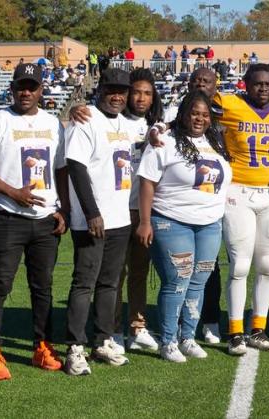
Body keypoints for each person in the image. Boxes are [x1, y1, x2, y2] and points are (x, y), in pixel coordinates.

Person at [0, 63, 66, 381]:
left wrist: (63, 208)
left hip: (45, 219)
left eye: (32, 86)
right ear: (11, 88)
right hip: (8, 217)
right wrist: (14, 193)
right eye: (20, 86)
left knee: (43, 288)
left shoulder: (53, 124)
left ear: (41, 90)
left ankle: (42, 347)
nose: (25, 92)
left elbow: (61, 169)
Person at [134, 91, 232, 363]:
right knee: (177, 280)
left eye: (204, 114)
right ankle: (168, 340)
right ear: (183, 114)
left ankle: (188, 336)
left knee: (199, 281)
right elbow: (147, 182)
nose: (199, 118)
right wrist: (144, 221)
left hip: (209, 224)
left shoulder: (215, 141)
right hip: (171, 219)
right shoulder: (164, 140)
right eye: (194, 113)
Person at [211, 64, 269, 355]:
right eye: (258, 83)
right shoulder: (229, 104)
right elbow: (194, 111)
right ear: (245, 84)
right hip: (238, 191)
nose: (264, 88)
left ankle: (258, 328)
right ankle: (235, 331)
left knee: (268, 264)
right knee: (239, 264)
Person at [60, 68, 136, 375]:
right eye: (111, 90)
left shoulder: (126, 124)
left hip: (120, 218)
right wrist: (91, 212)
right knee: (84, 283)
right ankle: (74, 347)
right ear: (100, 89)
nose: (117, 96)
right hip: (94, 218)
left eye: (122, 91)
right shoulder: (86, 119)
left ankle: (103, 339)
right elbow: (76, 168)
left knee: (110, 283)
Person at [111, 69, 165, 352]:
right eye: (136, 92)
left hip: (144, 209)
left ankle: (137, 327)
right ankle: (112, 330)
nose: (141, 98)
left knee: (140, 271)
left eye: (147, 93)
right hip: (116, 208)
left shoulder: (158, 126)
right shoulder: (113, 122)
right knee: (115, 273)